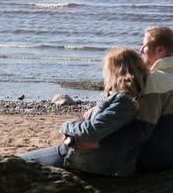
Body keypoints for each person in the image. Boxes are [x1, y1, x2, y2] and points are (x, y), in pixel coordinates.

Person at [19, 47, 149, 177]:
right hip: (79, 154)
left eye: (106, 69)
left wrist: (66, 127)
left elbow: (90, 132)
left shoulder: (124, 100)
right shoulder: (124, 96)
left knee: (18, 162)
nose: (105, 73)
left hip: (79, 160)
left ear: (116, 71)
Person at [98, 26, 173, 172]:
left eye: (145, 46)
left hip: (158, 157)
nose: (140, 50)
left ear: (160, 50)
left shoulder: (154, 81)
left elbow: (142, 129)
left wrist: (99, 143)